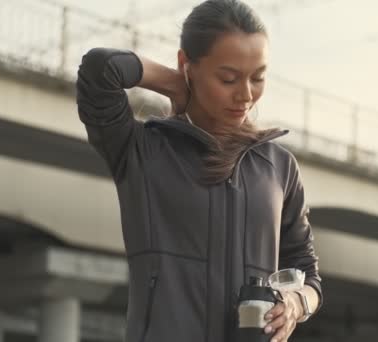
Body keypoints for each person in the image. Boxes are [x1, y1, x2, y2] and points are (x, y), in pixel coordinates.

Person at [76, 0, 322, 341]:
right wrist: (175, 84)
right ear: (186, 64)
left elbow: (308, 275)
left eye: (258, 77)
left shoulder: (279, 167)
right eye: (228, 78)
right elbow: (100, 68)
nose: (246, 95)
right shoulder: (142, 150)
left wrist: (296, 304)